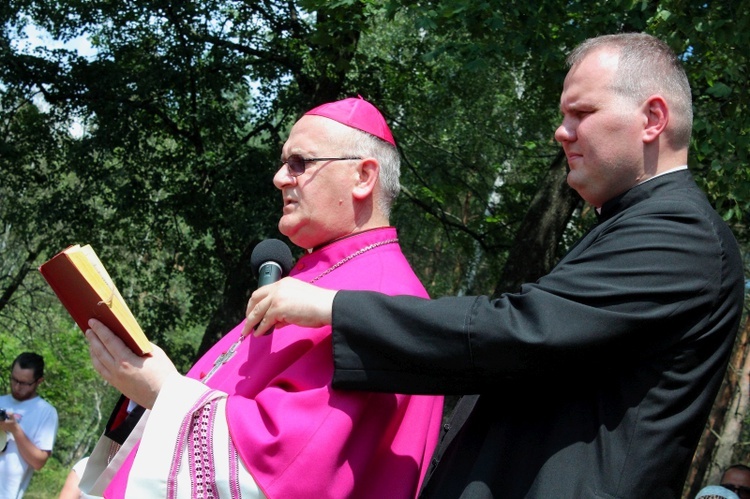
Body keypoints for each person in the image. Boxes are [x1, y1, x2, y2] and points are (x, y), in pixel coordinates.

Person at [244, 33, 746, 498]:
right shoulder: (642, 224)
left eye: (581, 113)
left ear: (653, 118)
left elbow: (523, 331)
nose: (561, 131)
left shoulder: (681, 234)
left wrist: (337, 308)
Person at [82, 97, 444, 498]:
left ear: (363, 176)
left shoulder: (378, 294)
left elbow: (293, 464)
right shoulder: (324, 274)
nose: (279, 178)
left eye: (299, 163)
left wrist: (164, 391)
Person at [0, 352, 59, 498]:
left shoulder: (46, 412)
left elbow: (39, 462)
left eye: (24, 383)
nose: (17, 387)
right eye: (14, 379)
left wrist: (15, 430)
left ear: (39, 381)